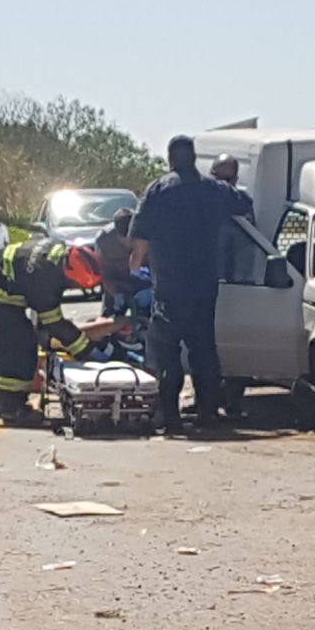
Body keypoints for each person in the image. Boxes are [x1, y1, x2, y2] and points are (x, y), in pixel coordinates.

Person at [129, 135, 251, 432]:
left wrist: (136, 264)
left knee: (167, 350)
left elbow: (141, 236)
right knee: (203, 349)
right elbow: (244, 204)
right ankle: (208, 412)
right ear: (195, 158)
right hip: (204, 284)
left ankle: (169, 416)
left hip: (170, 284)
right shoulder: (213, 190)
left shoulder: (158, 190)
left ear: (170, 159)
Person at [0, 237, 105, 425]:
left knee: (5, 337)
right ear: (69, 276)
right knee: (20, 340)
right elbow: (55, 324)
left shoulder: (59, 253)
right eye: (77, 286)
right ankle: (13, 408)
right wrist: (88, 352)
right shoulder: (44, 281)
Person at [95, 208, 152, 318]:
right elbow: (105, 274)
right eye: (124, 239)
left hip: (145, 284)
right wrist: (116, 294)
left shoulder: (148, 238)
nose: (129, 243)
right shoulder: (104, 240)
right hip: (117, 284)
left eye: (132, 239)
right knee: (110, 319)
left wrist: (151, 290)